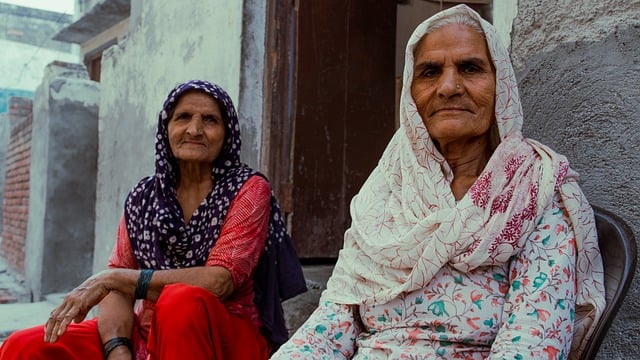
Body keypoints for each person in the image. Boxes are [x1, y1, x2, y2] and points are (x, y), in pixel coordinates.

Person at [272, 4, 604, 360]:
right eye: (430, 72)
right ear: (411, 94)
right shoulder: (387, 190)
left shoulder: (534, 189)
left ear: (501, 84)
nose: (448, 87)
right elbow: (334, 321)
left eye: (470, 68)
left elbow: (532, 343)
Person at [0, 80, 307, 360]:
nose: (194, 130)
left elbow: (220, 281)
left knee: (179, 302)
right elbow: (118, 282)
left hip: (225, 337)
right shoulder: (145, 196)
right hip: (148, 335)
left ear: (227, 134)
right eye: (183, 117)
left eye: (210, 120)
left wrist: (114, 279)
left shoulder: (249, 189)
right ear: (166, 128)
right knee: (24, 347)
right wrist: (117, 348)